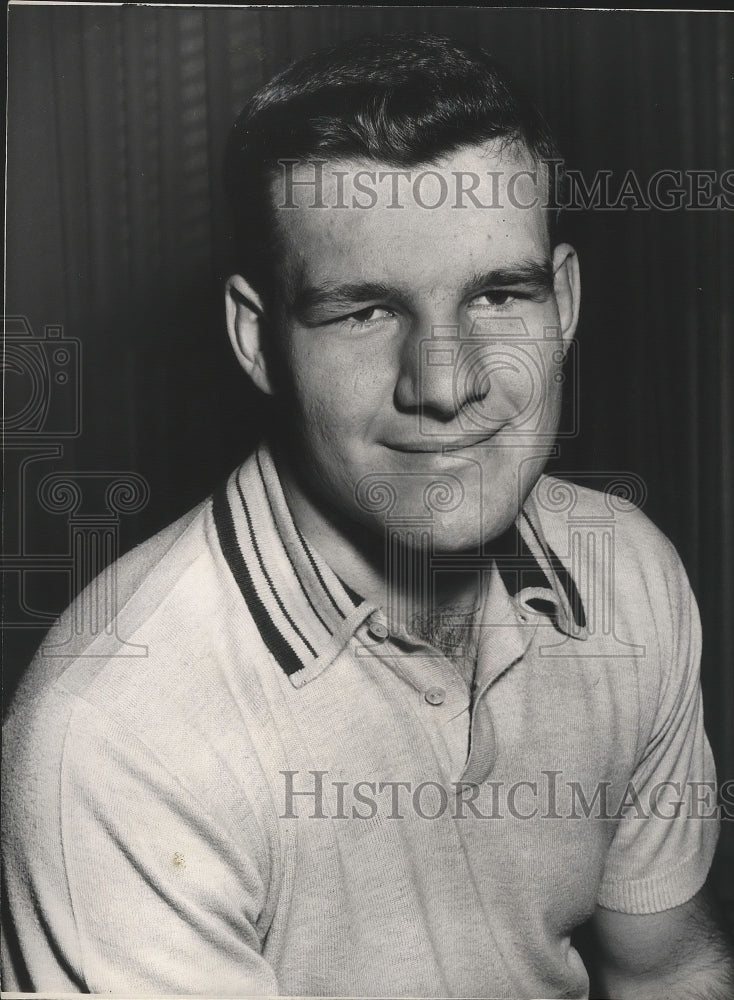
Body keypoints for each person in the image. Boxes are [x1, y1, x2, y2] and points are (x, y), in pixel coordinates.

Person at [2, 32, 732, 1000]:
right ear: (256, 340)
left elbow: (667, 970)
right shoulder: (117, 730)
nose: (445, 381)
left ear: (562, 301)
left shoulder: (625, 571)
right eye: (364, 311)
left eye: (499, 294)